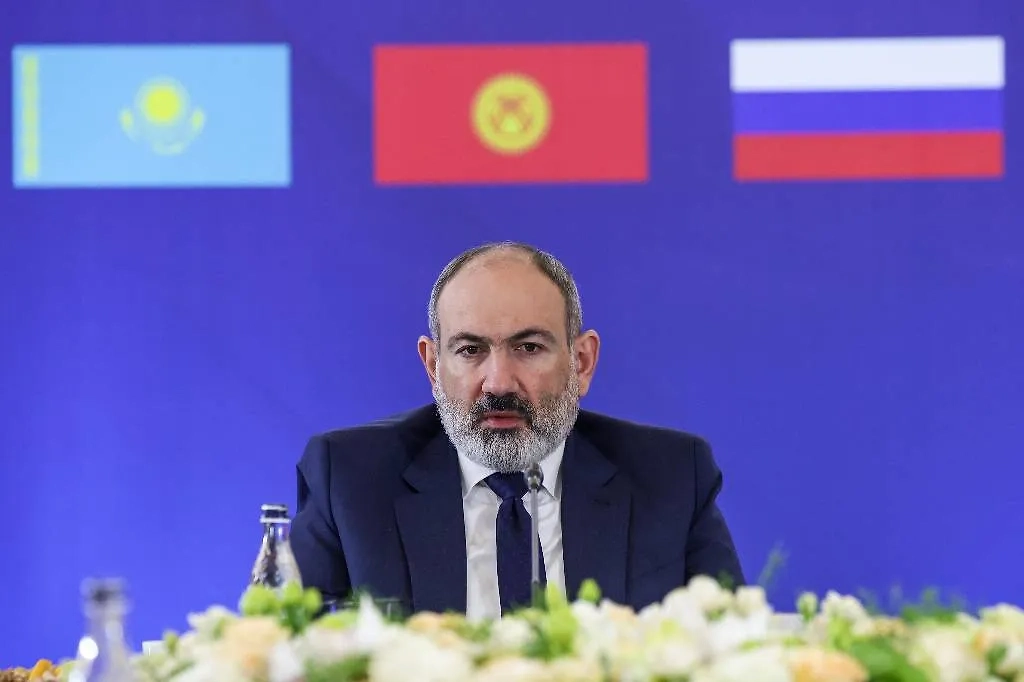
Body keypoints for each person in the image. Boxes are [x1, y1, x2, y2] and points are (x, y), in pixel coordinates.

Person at [290, 241, 744, 620]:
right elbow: (293, 654)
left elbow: (733, 653)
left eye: (528, 347)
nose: (499, 383)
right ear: (433, 367)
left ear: (582, 362)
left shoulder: (671, 479)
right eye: (470, 350)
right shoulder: (349, 481)